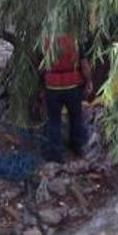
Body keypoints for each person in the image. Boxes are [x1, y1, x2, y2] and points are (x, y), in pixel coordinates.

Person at [40, 33, 93, 162]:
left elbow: (40, 65)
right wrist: (89, 81)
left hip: (52, 86)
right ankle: (77, 147)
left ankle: (56, 154)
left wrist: (41, 86)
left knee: (54, 121)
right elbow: (84, 64)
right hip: (72, 86)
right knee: (76, 117)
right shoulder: (75, 39)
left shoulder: (45, 40)